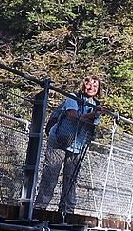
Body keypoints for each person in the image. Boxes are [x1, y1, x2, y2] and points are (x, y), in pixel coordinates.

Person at [35, 75, 102, 216]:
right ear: (83, 85)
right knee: (50, 175)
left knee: (71, 179)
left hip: (77, 145)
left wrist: (94, 115)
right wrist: (92, 115)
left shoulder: (96, 106)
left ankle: (67, 212)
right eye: (89, 84)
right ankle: (39, 210)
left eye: (95, 86)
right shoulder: (73, 97)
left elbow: (91, 125)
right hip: (59, 140)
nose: (91, 88)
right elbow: (73, 115)